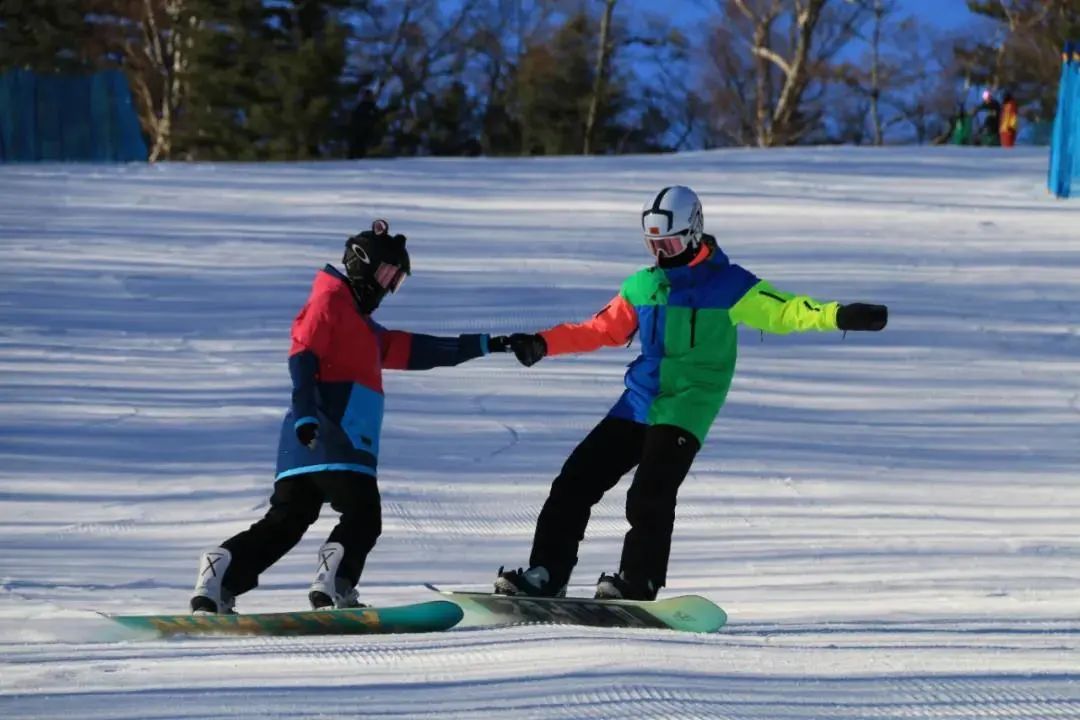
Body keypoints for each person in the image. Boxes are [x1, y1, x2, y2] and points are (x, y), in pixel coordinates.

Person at [492, 186, 888, 601]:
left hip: (689, 404)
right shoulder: (643, 287)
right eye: (653, 244)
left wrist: (839, 315)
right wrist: (543, 341)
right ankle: (547, 574)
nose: (661, 253)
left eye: (670, 242)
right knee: (575, 480)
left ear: (694, 233)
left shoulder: (731, 286)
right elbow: (598, 330)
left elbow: (787, 310)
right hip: (639, 400)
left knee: (650, 492)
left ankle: (638, 581)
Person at [190, 220, 495, 613]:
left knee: (285, 522)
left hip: (301, 450)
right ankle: (334, 582)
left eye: (396, 280)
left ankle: (222, 571)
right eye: (386, 274)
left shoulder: (361, 325)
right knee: (364, 515)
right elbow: (302, 358)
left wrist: (490, 344)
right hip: (339, 437)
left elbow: (422, 350)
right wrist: (306, 416)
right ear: (360, 265)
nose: (387, 287)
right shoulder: (328, 302)